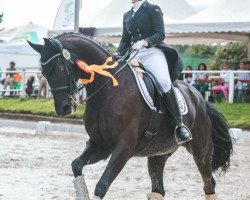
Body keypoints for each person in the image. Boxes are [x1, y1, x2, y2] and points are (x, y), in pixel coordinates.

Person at [116, 0, 192, 144]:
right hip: (134, 53)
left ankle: (179, 125)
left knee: (163, 82)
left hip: (152, 52)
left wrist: (145, 42)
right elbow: (125, 39)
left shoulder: (153, 9)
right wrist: (117, 54)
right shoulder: (127, 15)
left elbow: (160, 34)